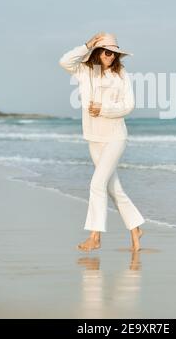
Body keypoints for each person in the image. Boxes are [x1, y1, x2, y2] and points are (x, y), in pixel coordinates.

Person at [59, 32, 145, 252]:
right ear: (98, 51)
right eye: (107, 52)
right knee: (113, 189)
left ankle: (95, 237)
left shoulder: (121, 74)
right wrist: (86, 44)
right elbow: (64, 61)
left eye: (115, 53)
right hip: (93, 137)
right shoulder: (85, 70)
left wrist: (104, 109)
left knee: (97, 184)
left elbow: (129, 106)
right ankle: (135, 228)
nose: (111, 56)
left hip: (116, 136)